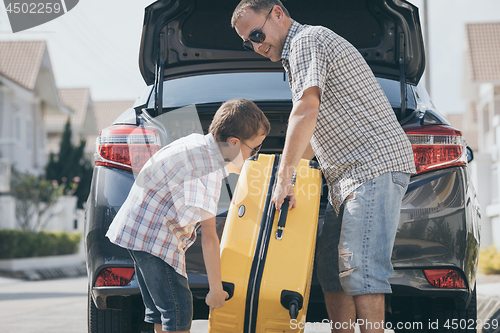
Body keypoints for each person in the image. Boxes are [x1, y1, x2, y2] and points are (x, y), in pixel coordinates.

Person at [231, 2, 416, 333]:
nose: (257, 46)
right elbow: (313, 135)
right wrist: (273, 181)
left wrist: (284, 179)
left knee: (361, 269)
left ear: (277, 13)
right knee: (332, 268)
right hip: (344, 179)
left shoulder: (306, 41)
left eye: (257, 35)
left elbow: (305, 110)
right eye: (248, 42)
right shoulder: (294, 59)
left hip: (373, 166)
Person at [106, 98, 270, 333]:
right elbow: (209, 237)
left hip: (136, 231)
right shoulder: (208, 169)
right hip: (154, 240)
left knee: (162, 311)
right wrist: (215, 289)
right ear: (234, 143)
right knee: (178, 310)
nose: (254, 155)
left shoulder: (197, 144)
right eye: (255, 148)